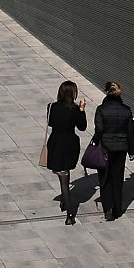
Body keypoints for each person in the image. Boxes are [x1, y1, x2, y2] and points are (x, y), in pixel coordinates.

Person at [45, 80, 87, 225]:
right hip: (70, 144)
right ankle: (69, 212)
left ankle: (66, 205)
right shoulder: (75, 109)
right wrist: (82, 110)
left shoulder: (51, 107)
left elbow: (50, 123)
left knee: (63, 176)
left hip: (56, 143)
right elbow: (82, 127)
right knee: (65, 175)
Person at [92, 81, 134, 221]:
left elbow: (99, 129)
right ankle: (118, 208)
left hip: (105, 147)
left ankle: (108, 208)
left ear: (106, 92)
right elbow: (130, 132)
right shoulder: (126, 110)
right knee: (117, 178)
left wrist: (95, 141)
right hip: (121, 148)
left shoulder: (101, 109)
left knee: (105, 179)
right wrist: (131, 150)